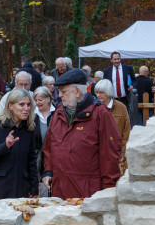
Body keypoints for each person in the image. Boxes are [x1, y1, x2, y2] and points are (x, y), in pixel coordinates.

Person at [41, 68, 121, 199]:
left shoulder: (100, 114)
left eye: (63, 91)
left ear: (77, 91)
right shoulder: (59, 112)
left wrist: (107, 192)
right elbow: (49, 146)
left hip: (87, 194)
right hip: (59, 191)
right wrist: (48, 171)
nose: (59, 95)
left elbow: (110, 157)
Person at [0, 88, 39, 201]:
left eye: (28, 104)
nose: (26, 108)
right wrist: (5, 146)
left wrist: (34, 187)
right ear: (10, 106)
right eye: (21, 104)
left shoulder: (28, 129)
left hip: (20, 189)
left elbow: (31, 160)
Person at [93, 79, 131, 169]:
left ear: (108, 92)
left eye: (101, 92)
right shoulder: (93, 108)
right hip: (98, 154)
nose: (98, 95)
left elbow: (126, 132)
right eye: (96, 92)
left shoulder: (121, 107)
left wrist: (123, 152)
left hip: (116, 153)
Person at [33, 86, 55, 197]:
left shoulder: (57, 114)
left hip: (54, 157)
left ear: (48, 99)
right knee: (43, 190)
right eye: (36, 100)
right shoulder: (32, 116)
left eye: (40, 100)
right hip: (38, 159)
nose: (38, 102)